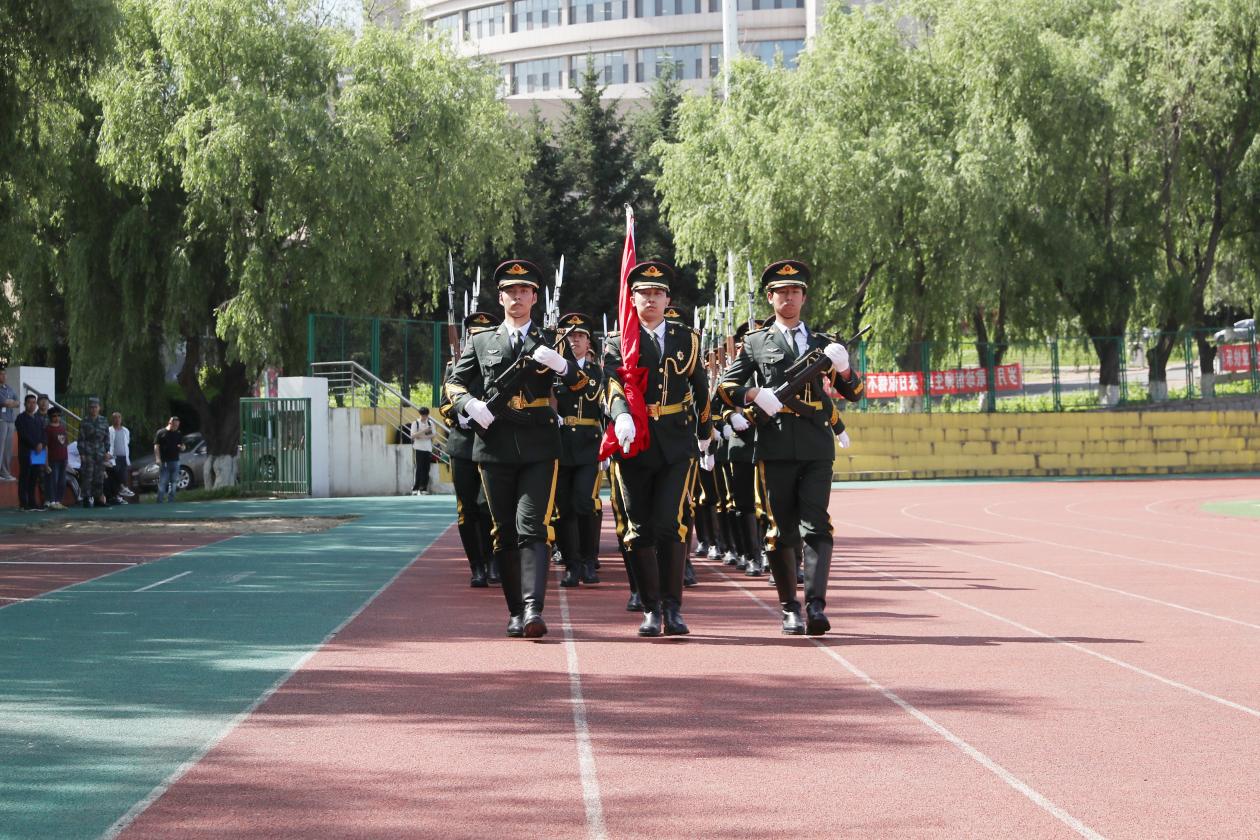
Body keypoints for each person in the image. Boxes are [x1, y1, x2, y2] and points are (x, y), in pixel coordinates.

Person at [717, 260, 864, 635]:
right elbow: (726, 388)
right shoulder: (755, 342)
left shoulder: (823, 343)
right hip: (776, 444)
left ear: (804, 297)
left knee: (817, 525)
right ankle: (789, 608)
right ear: (770, 298)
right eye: (782, 292)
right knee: (781, 529)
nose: (789, 297)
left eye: (795, 291)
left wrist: (845, 369)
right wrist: (756, 394)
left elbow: (854, 392)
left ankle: (816, 605)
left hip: (816, 445)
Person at [447, 259, 588, 638]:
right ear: (501, 297)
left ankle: (532, 609)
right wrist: (469, 405)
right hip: (494, 446)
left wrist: (563, 366)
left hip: (539, 445)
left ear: (535, 298)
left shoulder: (550, 339)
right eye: (510, 291)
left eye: (524, 291)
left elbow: (581, 386)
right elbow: (454, 383)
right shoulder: (481, 341)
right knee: (504, 530)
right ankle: (514, 611)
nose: (517, 297)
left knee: (533, 527)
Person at [604, 261, 713, 637]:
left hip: (676, 442)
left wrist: (705, 432)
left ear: (667, 299)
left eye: (657, 293)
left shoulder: (686, 338)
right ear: (632, 299)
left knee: (670, 524)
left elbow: (700, 387)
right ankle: (650, 608)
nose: (650, 299)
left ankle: (673, 607)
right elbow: (611, 384)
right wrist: (620, 415)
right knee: (638, 528)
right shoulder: (619, 341)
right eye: (643, 294)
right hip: (634, 441)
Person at [438, 310, 501, 588]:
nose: (476, 337)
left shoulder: (498, 364)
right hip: (463, 445)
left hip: (491, 443)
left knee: (489, 507)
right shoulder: (454, 367)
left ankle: (493, 560)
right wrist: (461, 415)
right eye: (473, 333)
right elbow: (444, 405)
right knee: (467, 509)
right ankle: (476, 565)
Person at [554, 312, 604, 588]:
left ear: (588, 342)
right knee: (563, 507)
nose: (575, 340)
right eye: (570, 336)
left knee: (584, 502)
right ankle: (571, 564)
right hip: (560, 445)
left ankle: (588, 559)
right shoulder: (551, 371)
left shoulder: (597, 373)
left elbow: (601, 403)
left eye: (580, 336)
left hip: (588, 444)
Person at [77, 397, 111, 508]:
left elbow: (107, 437)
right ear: (89, 408)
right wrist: (82, 453)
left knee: (99, 476)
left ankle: (98, 499)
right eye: (91, 407)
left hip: (100, 452)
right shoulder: (84, 421)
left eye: (95, 407)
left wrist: (107, 451)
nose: (94, 409)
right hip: (88, 452)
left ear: (99, 408)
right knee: (87, 476)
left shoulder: (104, 420)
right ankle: (86, 499)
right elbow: (81, 439)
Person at [14, 394, 45, 511]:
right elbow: (23, 435)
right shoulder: (20, 418)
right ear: (25, 404)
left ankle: (33, 502)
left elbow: (44, 433)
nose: (32, 405)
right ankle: (23, 503)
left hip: (38, 453)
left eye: (34, 402)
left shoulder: (38, 419)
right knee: (25, 477)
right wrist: (34, 445)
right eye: (29, 402)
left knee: (34, 478)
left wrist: (42, 444)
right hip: (26, 452)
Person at [154, 416, 185, 503]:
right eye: (174, 425)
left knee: (174, 482)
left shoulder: (178, 433)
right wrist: (158, 458)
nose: (176, 427)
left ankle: (171, 501)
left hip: (175, 461)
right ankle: (160, 501)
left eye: (177, 426)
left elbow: (182, 445)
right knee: (163, 482)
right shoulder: (161, 432)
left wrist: (183, 447)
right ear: (170, 423)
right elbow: (156, 446)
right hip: (164, 462)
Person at [44, 408, 69, 509]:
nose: (57, 418)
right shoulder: (47, 429)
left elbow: (65, 444)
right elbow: (45, 446)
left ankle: (58, 501)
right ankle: (52, 501)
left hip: (63, 459)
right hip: (53, 459)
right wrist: (46, 463)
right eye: (54, 416)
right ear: (50, 417)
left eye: (59, 415)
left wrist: (67, 459)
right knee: (52, 481)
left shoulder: (63, 428)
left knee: (62, 482)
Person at [108, 412, 135, 502]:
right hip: (113, 457)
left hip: (124, 457)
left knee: (123, 475)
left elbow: (127, 442)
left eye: (119, 418)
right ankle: (119, 492)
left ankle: (120, 494)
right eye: (115, 418)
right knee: (115, 475)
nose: (117, 419)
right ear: (112, 419)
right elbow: (107, 443)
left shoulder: (125, 430)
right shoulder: (109, 430)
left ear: (121, 419)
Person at [409, 407, 436, 494]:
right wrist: (424, 431)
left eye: (426, 415)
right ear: (420, 414)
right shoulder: (415, 423)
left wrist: (423, 436)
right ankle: (415, 488)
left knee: (426, 468)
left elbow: (433, 434)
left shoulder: (430, 423)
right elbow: (412, 435)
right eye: (423, 415)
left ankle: (423, 488)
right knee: (419, 468)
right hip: (418, 448)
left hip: (428, 448)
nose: (424, 417)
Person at [0, 365, 18, 481]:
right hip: (1, 420)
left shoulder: (9, 388)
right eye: (1, 374)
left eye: (4, 374)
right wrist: (10, 402)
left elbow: (18, 402)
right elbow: (4, 402)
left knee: (8, 448)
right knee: (0, 447)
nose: (3, 376)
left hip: (10, 420)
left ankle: (5, 472)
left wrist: (10, 402)